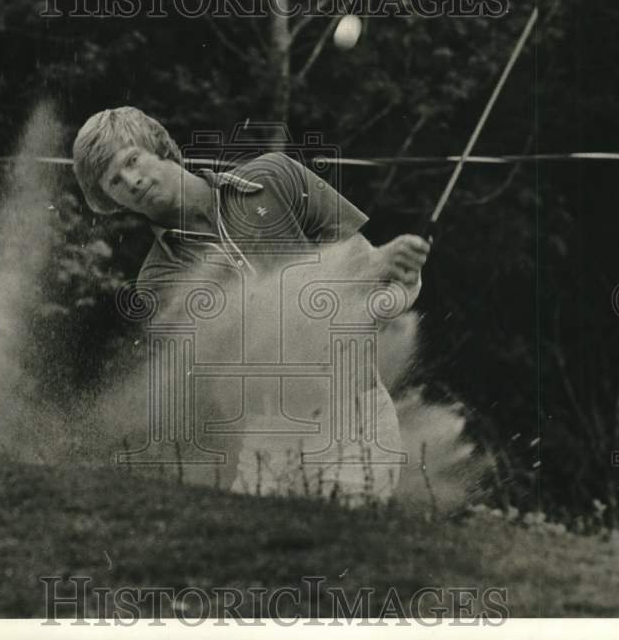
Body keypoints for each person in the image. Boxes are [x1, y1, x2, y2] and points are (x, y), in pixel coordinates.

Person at [73, 106, 430, 500]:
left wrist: (400, 275)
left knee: (346, 552)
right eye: (114, 182)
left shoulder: (277, 176)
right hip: (269, 436)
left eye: (131, 160)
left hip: (357, 414)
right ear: (112, 200)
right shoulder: (158, 280)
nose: (132, 181)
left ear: (161, 148)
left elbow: (376, 292)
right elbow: (248, 354)